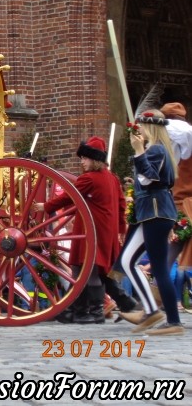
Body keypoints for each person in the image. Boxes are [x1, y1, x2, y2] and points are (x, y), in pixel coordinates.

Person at [35, 136, 125, 324]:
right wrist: (121, 229)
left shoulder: (89, 178)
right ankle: (75, 310)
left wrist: (46, 206)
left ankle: (93, 311)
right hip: (104, 230)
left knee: (88, 271)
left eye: (84, 158)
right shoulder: (113, 178)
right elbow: (121, 205)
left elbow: (69, 197)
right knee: (80, 270)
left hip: (91, 229)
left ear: (94, 159)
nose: (82, 162)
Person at [119, 110, 184, 335]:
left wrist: (138, 152)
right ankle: (150, 310)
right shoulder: (157, 150)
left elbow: (149, 179)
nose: (139, 131)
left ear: (150, 127)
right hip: (151, 212)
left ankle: (173, 321)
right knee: (128, 260)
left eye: (142, 126)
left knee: (158, 268)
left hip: (156, 212)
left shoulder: (156, 149)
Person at [161, 102, 192, 272]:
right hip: (182, 203)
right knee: (177, 243)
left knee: (177, 242)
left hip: (179, 203)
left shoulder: (175, 136)